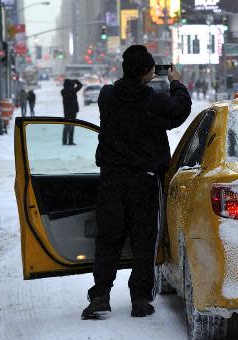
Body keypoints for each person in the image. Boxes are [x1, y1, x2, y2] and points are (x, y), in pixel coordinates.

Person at [82, 45, 191, 320]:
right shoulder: (153, 100)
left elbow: (128, 94)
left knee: (108, 238)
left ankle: (100, 296)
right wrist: (175, 82)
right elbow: (180, 111)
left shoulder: (107, 96)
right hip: (144, 181)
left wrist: (148, 80)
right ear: (148, 72)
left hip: (111, 179)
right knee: (144, 240)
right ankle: (140, 299)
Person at [61, 79, 83, 145]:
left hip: (67, 111)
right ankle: (70, 141)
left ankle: (64, 141)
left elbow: (79, 86)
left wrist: (73, 83)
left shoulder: (63, 91)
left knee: (67, 126)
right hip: (72, 111)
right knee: (71, 126)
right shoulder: (72, 91)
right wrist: (76, 81)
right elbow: (80, 85)